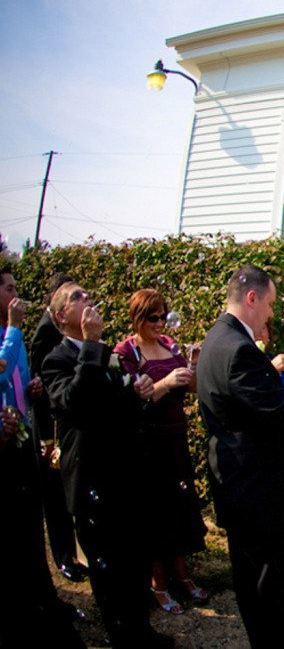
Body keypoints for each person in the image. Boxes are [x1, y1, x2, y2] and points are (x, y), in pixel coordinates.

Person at [196, 265, 284, 649]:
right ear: (251, 298)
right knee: (272, 580)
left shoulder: (218, 339)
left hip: (242, 486)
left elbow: (247, 402)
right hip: (259, 491)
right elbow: (279, 411)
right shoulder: (237, 349)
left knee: (255, 577)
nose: (270, 313)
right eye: (268, 304)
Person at [42, 281, 173, 649]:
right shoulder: (57, 360)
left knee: (134, 561)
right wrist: (93, 346)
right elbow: (76, 404)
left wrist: (138, 394)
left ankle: (142, 632)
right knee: (108, 570)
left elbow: (115, 406)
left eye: (88, 293)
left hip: (124, 472)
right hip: (91, 479)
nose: (88, 299)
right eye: (77, 297)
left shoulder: (103, 353)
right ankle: (124, 639)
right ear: (60, 316)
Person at [1, 270, 85, 649]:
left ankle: (43, 595)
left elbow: (20, 378)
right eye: (9, 289)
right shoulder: (20, 331)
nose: (17, 295)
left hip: (18, 433)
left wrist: (33, 390)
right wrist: (13, 329)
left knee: (30, 518)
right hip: (12, 438)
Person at [113, 289, 207, 615]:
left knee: (179, 508)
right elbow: (129, 402)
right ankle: (158, 584)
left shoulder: (169, 345)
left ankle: (181, 575)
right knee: (154, 513)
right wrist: (166, 383)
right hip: (146, 442)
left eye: (163, 315)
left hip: (175, 437)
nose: (159, 322)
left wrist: (192, 368)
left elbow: (191, 389)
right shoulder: (126, 352)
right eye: (152, 317)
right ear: (137, 318)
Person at [29, 271, 88, 584]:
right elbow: (41, 389)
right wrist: (48, 439)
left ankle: (79, 553)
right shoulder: (46, 333)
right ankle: (64, 557)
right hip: (52, 424)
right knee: (55, 496)